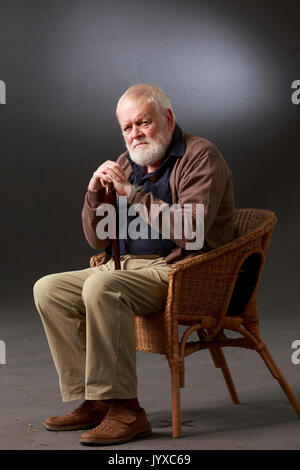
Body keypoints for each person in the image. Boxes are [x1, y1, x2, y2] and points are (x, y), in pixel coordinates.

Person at [33, 83, 235, 446]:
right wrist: (95, 193)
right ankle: (98, 400)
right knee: (48, 289)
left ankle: (128, 410)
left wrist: (133, 194)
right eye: (127, 128)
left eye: (143, 123)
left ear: (168, 119)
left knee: (101, 287)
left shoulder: (201, 156)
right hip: (124, 264)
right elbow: (98, 240)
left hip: (177, 270)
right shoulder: (129, 162)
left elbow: (191, 232)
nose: (135, 134)